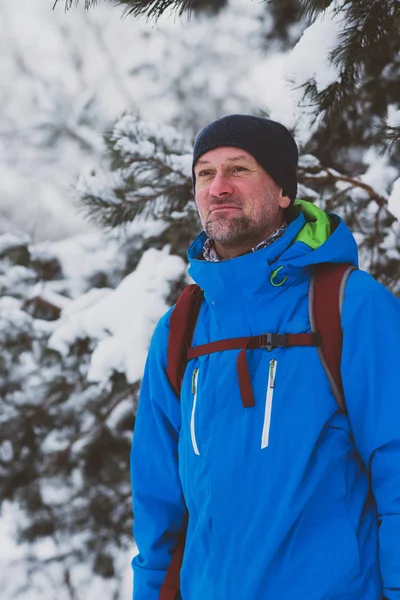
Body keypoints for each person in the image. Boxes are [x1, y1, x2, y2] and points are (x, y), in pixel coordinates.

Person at [130, 114, 400, 600]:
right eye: (205, 174)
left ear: (283, 192)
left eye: (239, 169)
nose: (219, 187)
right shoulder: (181, 330)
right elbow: (158, 507)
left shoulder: (349, 306)